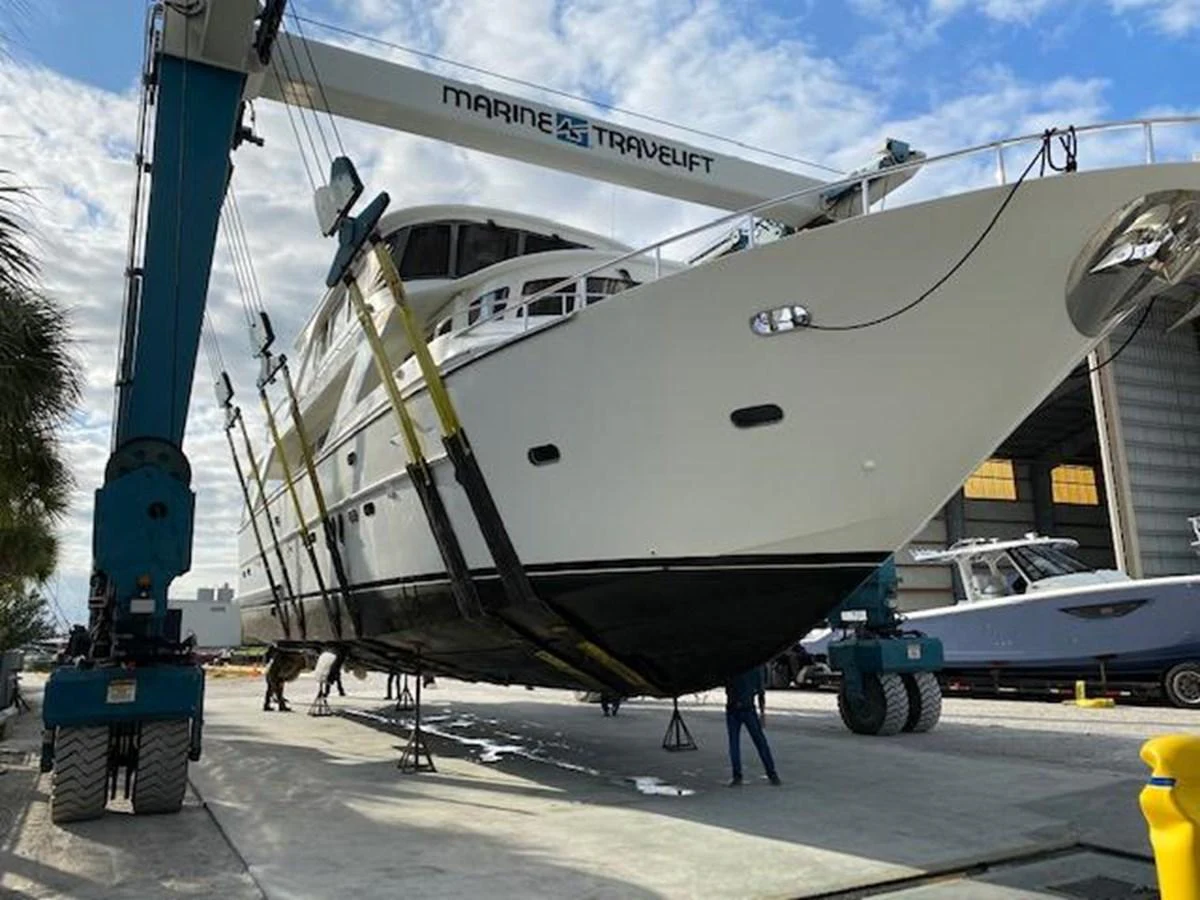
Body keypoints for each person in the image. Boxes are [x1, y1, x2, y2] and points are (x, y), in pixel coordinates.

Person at [724, 664, 780, 786]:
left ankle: (737, 776)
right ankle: (772, 773)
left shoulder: (731, 667)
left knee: (734, 744)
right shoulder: (756, 668)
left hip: (733, 708)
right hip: (748, 708)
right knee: (760, 742)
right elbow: (761, 693)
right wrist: (763, 713)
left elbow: (727, 687)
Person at [263, 646, 304, 712]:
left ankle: (267, 705)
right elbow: (279, 670)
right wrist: (281, 679)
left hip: (269, 674)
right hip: (274, 675)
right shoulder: (279, 659)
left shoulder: (275, 658)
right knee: (278, 691)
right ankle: (281, 706)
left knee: (270, 690)